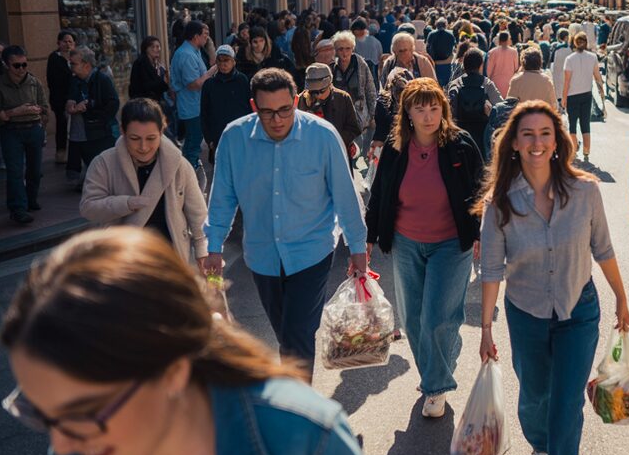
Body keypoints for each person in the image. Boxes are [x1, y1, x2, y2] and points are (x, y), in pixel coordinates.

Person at [0, 227, 405, 455]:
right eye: (42, 414)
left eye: (85, 412)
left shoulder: (306, 441)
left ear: (173, 371)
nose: (61, 444)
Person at [476, 100, 629, 455]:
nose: (537, 142)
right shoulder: (500, 203)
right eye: (527, 134)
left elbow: (603, 249)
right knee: (534, 396)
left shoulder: (586, 191)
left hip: (578, 312)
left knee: (566, 407)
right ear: (514, 143)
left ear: (558, 140)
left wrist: (621, 297)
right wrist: (485, 328)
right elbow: (491, 270)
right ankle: (538, 444)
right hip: (526, 314)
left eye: (545, 133)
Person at [205, 68, 368, 376]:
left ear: (295, 101)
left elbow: (345, 194)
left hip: (312, 252)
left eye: (284, 110)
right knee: (287, 337)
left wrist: (357, 247)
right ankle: (296, 391)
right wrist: (213, 247)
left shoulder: (322, 136)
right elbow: (222, 197)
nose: (277, 119)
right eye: (267, 112)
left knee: (297, 336)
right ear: (254, 106)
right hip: (262, 256)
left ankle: (297, 403)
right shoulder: (234, 138)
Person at [365, 77, 483, 418]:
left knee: (436, 319)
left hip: (451, 244)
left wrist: (480, 233)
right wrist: (368, 238)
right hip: (406, 242)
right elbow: (379, 193)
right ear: (408, 113)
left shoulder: (460, 144)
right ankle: (439, 363)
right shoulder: (395, 147)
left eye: (434, 108)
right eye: (420, 109)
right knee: (413, 321)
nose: (428, 116)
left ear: (443, 110)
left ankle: (435, 387)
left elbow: (480, 190)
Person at [80, 99, 207, 267]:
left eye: (151, 138)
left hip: (171, 260)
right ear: (122, 131)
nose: (143, 147)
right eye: (134, 138)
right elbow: (88, 208)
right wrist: (126, 203)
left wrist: (203, 251)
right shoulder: (104, 163)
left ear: (162, 131)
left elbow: (198, 214)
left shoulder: (179, 165)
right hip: (122, 262)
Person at [0, 45, 51, 224]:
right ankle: (18, 208)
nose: (21, 69)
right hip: (11, 131)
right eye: (16, 65)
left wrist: (39, 111)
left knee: (35, 170)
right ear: (6, 65)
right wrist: (14, 112)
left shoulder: (34, 82)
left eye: (24, 64)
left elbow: (45, 107)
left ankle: (31, 199)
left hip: (34, 129)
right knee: (15, 171)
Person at [171, 21, 217, 181]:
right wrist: (211, 72)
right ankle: (187, 181)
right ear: (196, 36)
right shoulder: (186, 54)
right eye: (205, 35)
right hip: (191, 108)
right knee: (193, 145)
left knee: (192, 143)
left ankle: (186, 178)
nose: (207, 38)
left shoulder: (194, 51)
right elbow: (193, 84)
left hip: (195, 105)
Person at [67, 47, 121, 179]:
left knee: (103, 170)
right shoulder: (75, 80)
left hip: (99, 134)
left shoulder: (102, 79)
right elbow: (70, 101)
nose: (70, 66)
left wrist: (94, 112)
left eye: (73, 63)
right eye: (70, 63)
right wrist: (72, 106)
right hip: (81, 135)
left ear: (86, 65)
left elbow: (113, 104)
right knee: (91, 170)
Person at [446, 48, 504, 158]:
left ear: (464, 64)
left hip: (460, 130)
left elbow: (450, 108)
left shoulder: (455, 84)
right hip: (482, 130)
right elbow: (500, 104)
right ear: (481, 65)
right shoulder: (487, 83)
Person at [199, 44, 251, 165]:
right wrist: (209, 139)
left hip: (240, 134)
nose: (223, 64)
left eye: (226, 60)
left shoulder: (242, 80)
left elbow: (249, 108)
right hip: (218, 136)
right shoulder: (209, 85)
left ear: (233, 62)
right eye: (220, 60)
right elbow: (204, 113)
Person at [299, 63, 361, 163]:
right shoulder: (301, 100)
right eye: (313, 92)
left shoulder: (343, 98)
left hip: (337, 156)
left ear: (330, 84)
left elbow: (354, 129)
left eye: (321, 91)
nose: (318, 95)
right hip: (310, 158)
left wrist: (333, 140)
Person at [330, 31, 376, 164]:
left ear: (353, 48)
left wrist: (372, 115)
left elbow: (370, 91)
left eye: (348, 48)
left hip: (360, 115)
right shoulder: (332, 68)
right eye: (341, 49)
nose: (344, 53)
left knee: (360, 154)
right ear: (336, 50)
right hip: (340, 117)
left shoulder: (361, 65)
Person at [561, 32, 604, 162]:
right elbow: (597, 77)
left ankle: (574, 151)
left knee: (572, 125)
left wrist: (564, 98)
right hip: (587, 94)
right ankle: (586, 151)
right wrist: (602, 92)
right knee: (585, 124)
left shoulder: (569, 59)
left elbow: (567, 81)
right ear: (586, 43)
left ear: (574, 43)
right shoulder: (593, 57)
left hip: (572, 95)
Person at [129, 37, 171, 132]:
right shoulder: (141, 63)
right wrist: (163, 82)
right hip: (144, 107)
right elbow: (145, 86)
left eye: (158, 46)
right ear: (146, 49)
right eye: (153, 47)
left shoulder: (154, 64)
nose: (157, 49)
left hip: (152, 106)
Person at [46, 31, 76, 165]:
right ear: (59, 43)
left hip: (75, 97)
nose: (68, 44)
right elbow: (53, 81)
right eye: (65, 41)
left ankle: (75, 153)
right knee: (62, 125)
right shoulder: (54, 58)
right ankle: (61, 152)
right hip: (60, 98)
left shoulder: (76, 57)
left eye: (70, 42)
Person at [372, 67, 414, 154]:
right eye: (397, 91)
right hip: (391, 148)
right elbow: (380, 135)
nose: (400, 97)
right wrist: (375, 153)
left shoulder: (417, 104)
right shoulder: (382, 105)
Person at [487, 30, 520, 98]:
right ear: (508, 39)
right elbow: (516, 68)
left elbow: (488, 71)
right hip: (509, 83)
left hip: (495, 83)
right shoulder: (514, 52)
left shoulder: (492, 52)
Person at [352, 18, 383, 85]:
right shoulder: (374, 40)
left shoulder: (352, 42)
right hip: (373, 68)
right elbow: (380, 54)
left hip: (357, 69)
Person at [427, 17, 457, 87]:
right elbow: (454, 47)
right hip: (446, 63)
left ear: (436, 25)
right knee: (446, 84)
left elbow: (427, 47)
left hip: (434, 63)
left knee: (435, 84)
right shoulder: (450, 34)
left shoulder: (431, 34)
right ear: (446, 25)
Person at [550, 29, 572, 104]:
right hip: (567, 75)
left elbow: (552, 62)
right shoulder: (570, 48)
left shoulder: (555, 47)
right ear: (566, 37)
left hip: (557, 74)